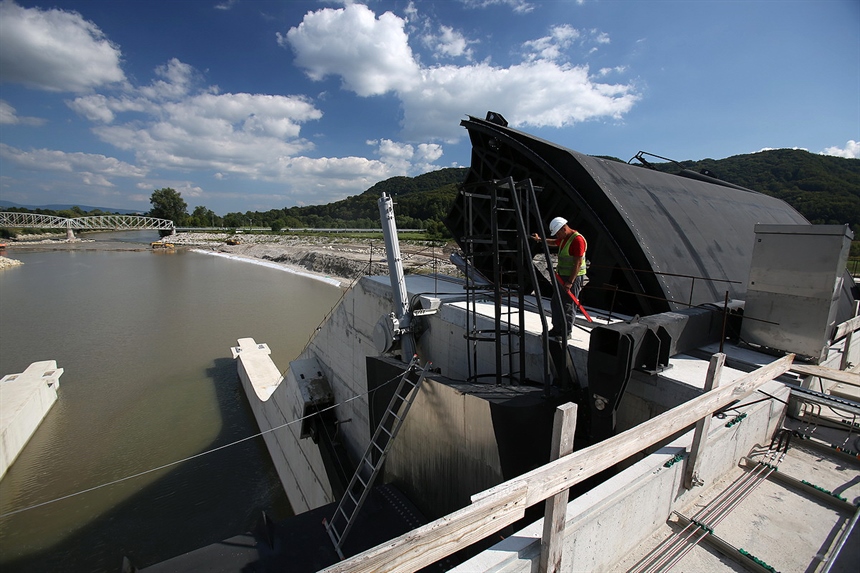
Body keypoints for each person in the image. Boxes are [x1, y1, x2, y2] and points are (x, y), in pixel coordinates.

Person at [531, 216, 587, 337]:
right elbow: (553, 242)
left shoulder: (577, 240)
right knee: (556, 302)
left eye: (557, 233)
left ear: (564, 229)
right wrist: (540, 239)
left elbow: (577, 263)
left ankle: (566, 332)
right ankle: (557, 328)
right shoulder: (565, 238)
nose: (557, 236)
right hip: (562, 277)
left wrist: (570, 282)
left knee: (568, 305)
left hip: (572, 278)